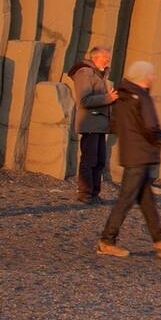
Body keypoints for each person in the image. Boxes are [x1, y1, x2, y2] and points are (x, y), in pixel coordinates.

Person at [96, 61, 161, 259]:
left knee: (146, 200)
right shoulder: (141, 96)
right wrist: (159, 136)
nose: (153, 78)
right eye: (151, 75)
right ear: (144, 77)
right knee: (126, 199)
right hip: (141, 153)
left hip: (131, 152)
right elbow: (150, 125)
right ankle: (107, 241)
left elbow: (115, 125)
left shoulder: (122, 95)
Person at [67, 47, 119, 204]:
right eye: (105, 57)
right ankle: (85, 193)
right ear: (95, 57)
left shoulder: (98, 74)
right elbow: (84, 100)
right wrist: (107, 98)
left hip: (99, 125)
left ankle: (94, 193)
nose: (108, 61)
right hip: (89, 124)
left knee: (100, 160)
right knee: (89, 159)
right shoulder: (85, 73)